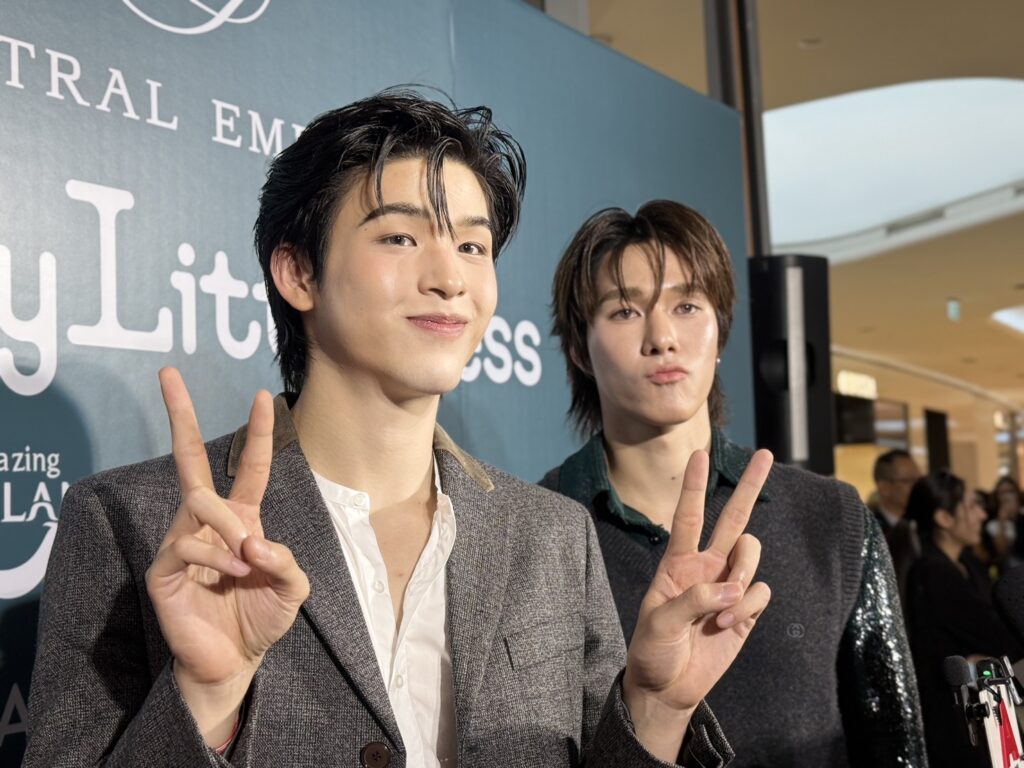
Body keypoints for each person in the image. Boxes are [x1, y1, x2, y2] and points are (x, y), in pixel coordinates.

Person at [25, 92, 773, 768]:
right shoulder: (135, 522)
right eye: (400, 238)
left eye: (473, 246)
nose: (450, 277)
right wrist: (206, 699)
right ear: (298, 273)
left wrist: (655, 709)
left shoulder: (552, 536)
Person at [540, 201, 926, 767]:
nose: (662, 337)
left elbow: (897, 747)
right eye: (624, 311)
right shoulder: (536, 532)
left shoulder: (829, 516)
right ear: (579, 347)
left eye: (687, 306)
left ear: (720, 330)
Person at [904, 471, 1024, 768]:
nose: (982, 514)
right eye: (971, 506)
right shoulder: (933, 573)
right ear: (944, 518)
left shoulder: (968, 563)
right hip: (959, 724)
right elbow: (994, 635)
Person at [872, 449, 923, 606]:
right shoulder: (872, 533)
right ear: (884, 488)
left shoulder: (923, 527)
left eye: (919, 480)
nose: (918, 488)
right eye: (908, 481)